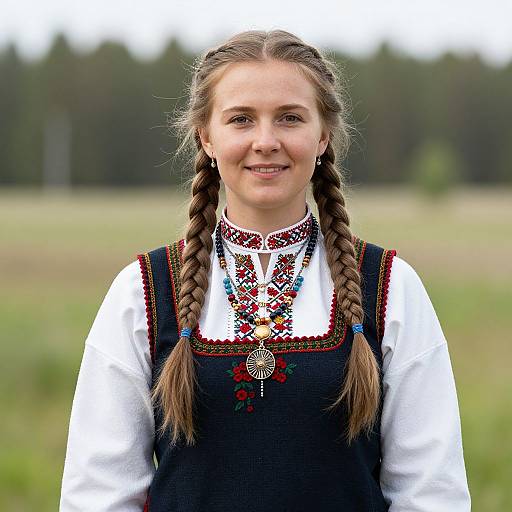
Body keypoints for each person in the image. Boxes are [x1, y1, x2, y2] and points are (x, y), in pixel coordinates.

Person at [59, 29, 471, 511]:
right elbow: (98, 494)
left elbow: (431, 493)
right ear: (206, 137)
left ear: (322, 135)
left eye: (290, 118)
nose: (266, 141)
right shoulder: (144, 292)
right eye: (241, 120)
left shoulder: (389, 287)